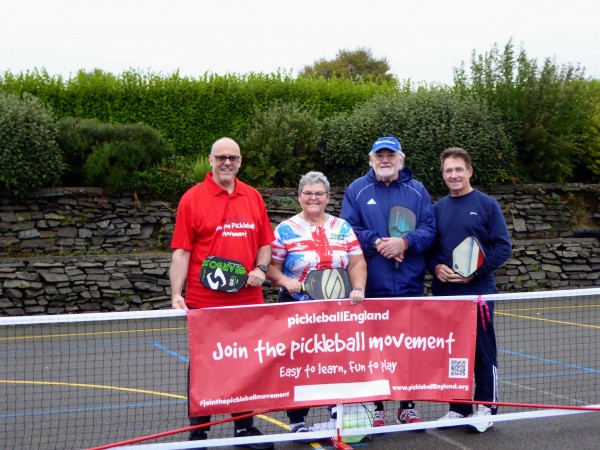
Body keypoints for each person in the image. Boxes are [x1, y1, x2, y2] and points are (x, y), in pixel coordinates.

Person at [170, 137, 275, 449]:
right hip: (206, 301)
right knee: (206, 365)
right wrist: (177, 293)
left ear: (240, 162)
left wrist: (260, 268)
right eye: (221, 157)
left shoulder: (253, 197)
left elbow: (265, 243)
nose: (227, 162)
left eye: (233, 157)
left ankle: (243, 428)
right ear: (210, 161)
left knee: (245, 363)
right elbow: (181, 252)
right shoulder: (192, 199)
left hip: (247, 301)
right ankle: (198, 432)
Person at [340, 136, 436, 427]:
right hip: (372, 285)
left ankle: (407, 405)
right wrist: (378, 242)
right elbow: (348, 229)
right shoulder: (357, 190)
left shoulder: (417, 190)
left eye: (390, 155)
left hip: (408, 285)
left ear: (400, 159)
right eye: (379, 155)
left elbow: (430, 229)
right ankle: (377, 406)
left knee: (406, 347)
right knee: (373, 349)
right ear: (371, 159)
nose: (385, 160)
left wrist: (405, 243)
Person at [267, 171, 367, 437]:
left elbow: (357, 262)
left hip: (336, 311)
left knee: (335, 360)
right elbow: (271, 267)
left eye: (319, 193)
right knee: (300, 364)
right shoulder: (285, 229)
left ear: (327, 197)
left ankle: (337, 410)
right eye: (308, 193)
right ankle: (297, 419)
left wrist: (358, 288)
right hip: (297, 308)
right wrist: (285, 280)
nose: (313, 198)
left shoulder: (342, 227)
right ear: (300, 197)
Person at [427, 147, 512, 433]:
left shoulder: (487, 205)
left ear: (469, 171)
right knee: (453, 352)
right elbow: (429, 251)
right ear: (443, 175)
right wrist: (435, 268)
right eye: (448, 170)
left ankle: (487, 408)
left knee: (482, 352)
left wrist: (475, 272)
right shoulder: (436, 209)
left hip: (478, 293)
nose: (454, 175)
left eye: (458, 169)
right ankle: (458, 408)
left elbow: (503, 247)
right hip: (446, 295)